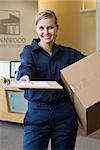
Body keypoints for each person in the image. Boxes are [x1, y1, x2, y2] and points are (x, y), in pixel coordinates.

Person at [17, 9, 85, 150]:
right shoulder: (29, 51)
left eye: (50, 27)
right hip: (38, 114)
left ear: (57, 28)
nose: (46, 32)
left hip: (64, 114)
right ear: (36, 29)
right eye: (41, 28)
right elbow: (26, 66)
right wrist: (24, 77)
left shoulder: (68, 53)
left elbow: (89, 64)